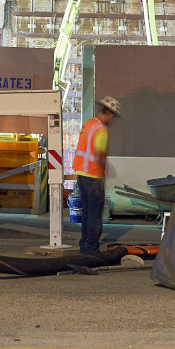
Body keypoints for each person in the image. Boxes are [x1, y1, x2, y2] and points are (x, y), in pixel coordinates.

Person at [68, 97, 120, 256]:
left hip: (82, 175)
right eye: (114, 117)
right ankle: (92, 250)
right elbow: (97, 154)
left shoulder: (89, 124)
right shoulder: (102, 130)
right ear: (110, 114)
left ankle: (84, 246)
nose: (113, 121)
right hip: (93, 177)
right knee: (95, 215)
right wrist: (100, 178)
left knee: (87, 213)